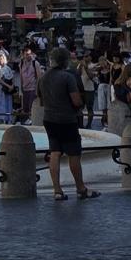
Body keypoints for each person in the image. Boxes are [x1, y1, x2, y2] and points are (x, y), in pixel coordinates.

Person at [39, 47, 100, 201]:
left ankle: (57, 190)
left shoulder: (43, 77)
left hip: (49, 119)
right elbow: (76, 100)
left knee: (55, 152)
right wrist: (79, 106)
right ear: (65, 61)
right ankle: (81, 188)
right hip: (66, 119)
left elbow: (41, 100)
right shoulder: (67, 77)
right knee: (73, 154)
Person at [18, 47, 42, 122]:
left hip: (33, 88)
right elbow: (21, 77)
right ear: (23, 55)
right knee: (25, 108)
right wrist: (20, 89)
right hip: (25, 88)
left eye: (29, 54)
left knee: (31, 107)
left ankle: (32, 121)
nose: (28, 56)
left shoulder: (35, 63)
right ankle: (27, 121)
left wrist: (37, 90)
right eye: (27, 54)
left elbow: (39, 77)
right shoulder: (21, 63)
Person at [0, 57, 16, 125]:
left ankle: (8, 119)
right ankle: (1, 119)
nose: (0, 61)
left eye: (1, 59)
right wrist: (8, 86)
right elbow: (0, 80)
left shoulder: (8, 68)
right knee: (0, 103)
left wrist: (12, 86)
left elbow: (12, 77)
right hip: (1, 88)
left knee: (8, 103)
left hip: (7, 89)